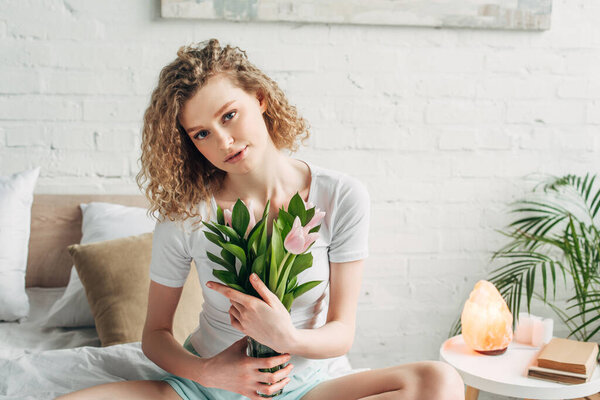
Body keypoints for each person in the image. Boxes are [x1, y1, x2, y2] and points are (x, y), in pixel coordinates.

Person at [59, 39, 464, 400]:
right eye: (201, 134)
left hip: (308, 387)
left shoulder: (340, 196)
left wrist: (285, 337)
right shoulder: (187, 214)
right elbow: (155, 336)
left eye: (229, 115)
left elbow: (342, 331)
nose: (223, 141)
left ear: (260, 98)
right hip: (206, 386)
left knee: (440, 382)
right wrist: (210, 372)